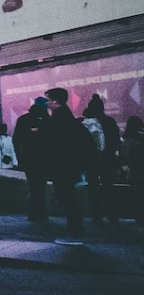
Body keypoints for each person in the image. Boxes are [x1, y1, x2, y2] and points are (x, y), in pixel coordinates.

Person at [46, 91, 95, 245]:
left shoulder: (59, 118)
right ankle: (75, 233)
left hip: (63, 167)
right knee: (70, 200)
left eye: (47, 100)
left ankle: (75, 234)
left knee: (68, 200)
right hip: (71, 166)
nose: (46, 103)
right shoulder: (67, 117)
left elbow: (56, 145)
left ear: (54, 102)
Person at [83, 95, 122, 226]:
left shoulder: (87, 123)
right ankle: (112, 215)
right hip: (108, 159)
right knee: (108, 187)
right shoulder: (110, 121)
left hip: (91, 160)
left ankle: (96, 214)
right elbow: (116, 141)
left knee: (93, 187)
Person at [14, 97, 53, 222]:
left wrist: (20, 158)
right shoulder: (48, 120)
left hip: (28, 160)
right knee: (41, 186)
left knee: (33, 185)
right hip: (45, 160)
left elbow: (16, 140)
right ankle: (41, 213)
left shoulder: (23, 120)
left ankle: (35, 213)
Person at [122, 116, 144, 223]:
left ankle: (139, 217)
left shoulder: (128, 139)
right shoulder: (139, 138)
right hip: (139, 170)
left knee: (137, 195)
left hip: (134, 171)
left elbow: (126, 155)